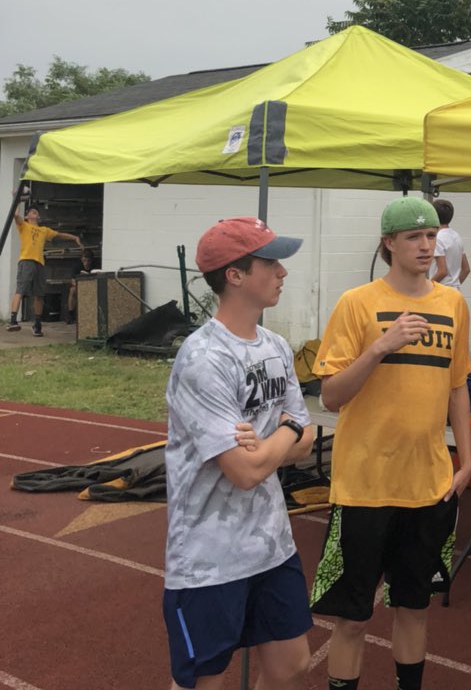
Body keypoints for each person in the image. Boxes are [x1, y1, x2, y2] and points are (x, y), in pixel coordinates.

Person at [311, 197, 471, 690]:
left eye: (431, 237)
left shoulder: (453, 304)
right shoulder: (357, 303)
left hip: (427, 485)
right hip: (364, 487)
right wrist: (381, 346)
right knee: (353, 618)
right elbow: (332, 396)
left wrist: (465, 461)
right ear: (389, 243)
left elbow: (458, 385)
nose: (427, 246)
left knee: (415, 610)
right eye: (414, 238)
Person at [162, 216, 314, 690]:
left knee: (292, 667)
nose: (282, 273)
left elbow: (308, 438)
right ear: (235, 275)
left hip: (271, 543)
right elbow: (244, 471)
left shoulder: (276, 346)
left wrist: (275, 438)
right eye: (271, 263)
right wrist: (286, 433)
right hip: (209, 557)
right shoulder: (203, 359)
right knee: (204, 683)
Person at [7, 198, 82, 337]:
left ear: (38, 216)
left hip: (40, 263)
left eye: (36, 211)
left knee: (40, 294)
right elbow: (15, 215)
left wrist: (74, 238)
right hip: (26, 260)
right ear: (27, 216)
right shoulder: (23, 225)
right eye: (31, 211)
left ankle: (37, 324)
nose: (33, 212)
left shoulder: (44, 230)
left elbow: (59, 235)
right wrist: (17, 199)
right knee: (21, 289)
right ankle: (13, 320)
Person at [429, 197, 470, 290]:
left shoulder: (438, 238)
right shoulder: (457, 236)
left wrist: (427, 286)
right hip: (455, 291)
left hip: (441, 291)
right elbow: (466, 269)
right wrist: (455, 285)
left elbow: (442, 271)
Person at [66, 246, 98, 324]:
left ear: (91, 260)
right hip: (79, 285)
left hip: (92, 285)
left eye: (88, 260)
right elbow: (73, 280)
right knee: (72, 291)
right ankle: (71, 314)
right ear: (81, 259)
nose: (86, 263)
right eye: (84, 260)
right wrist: (80, 287)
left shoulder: (96, 265)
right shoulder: (77, 266)